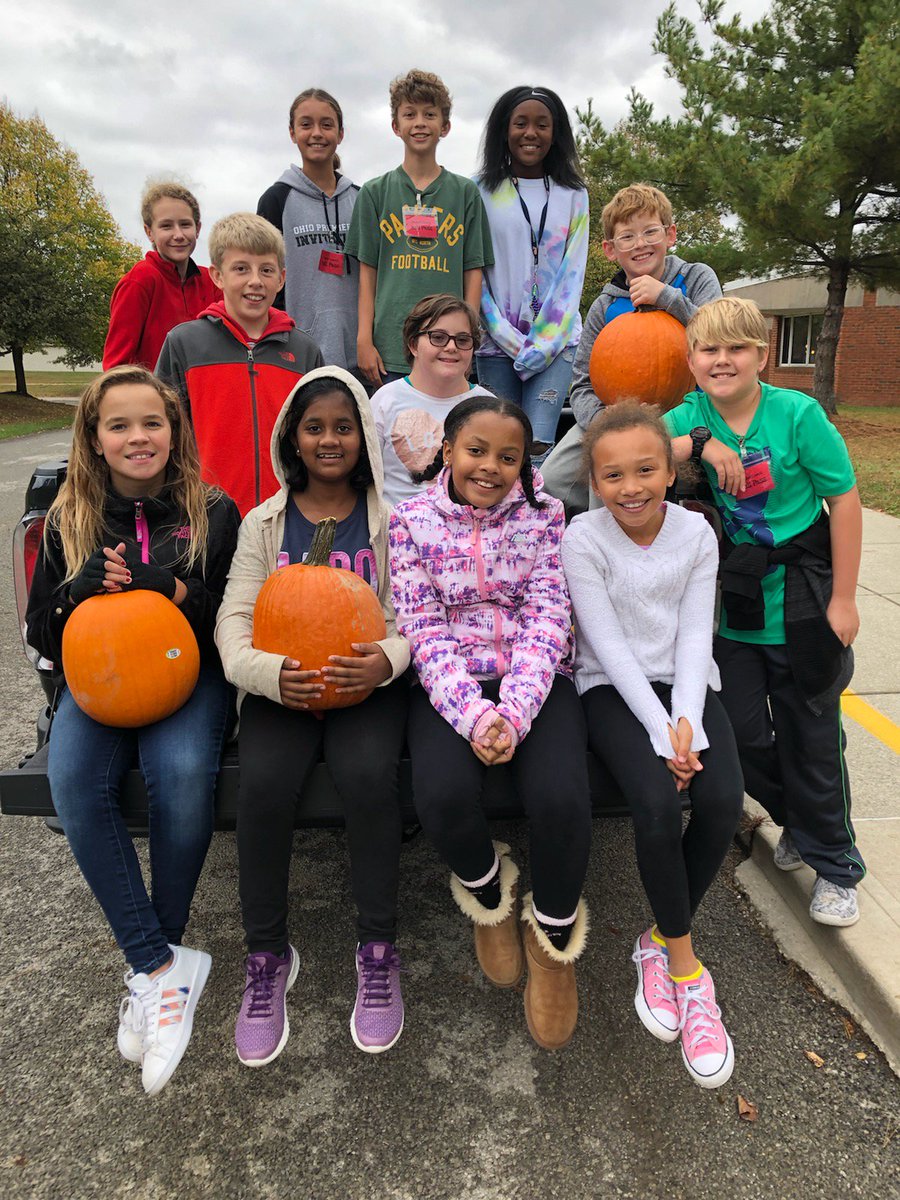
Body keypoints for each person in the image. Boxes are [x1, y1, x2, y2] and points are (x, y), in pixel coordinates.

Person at [25, 365, 240, 1095]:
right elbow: (41, 634)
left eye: (151, 421)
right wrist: (71, 595)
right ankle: (159, 969)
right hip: (99, 678)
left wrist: (171, 588)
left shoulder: (212, 509)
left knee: (180, 777)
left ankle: (159, 968)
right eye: (119, 425)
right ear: (94, 437)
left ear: (173, 430)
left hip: (190, 674)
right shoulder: (66, 517)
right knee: (74, 783)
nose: (137, 436)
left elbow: (228, 621)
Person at [215, 366, 411, 1063]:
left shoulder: (392, 521)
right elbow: (233, 623)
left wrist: (386, 660)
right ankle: (267, 958)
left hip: (366, 687)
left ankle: (378, 947)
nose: (329, 440)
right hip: (285, 690)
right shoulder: (263, 524)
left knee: (367, 778)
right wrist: (271, 675)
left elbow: (416, 615)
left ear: (362, 436)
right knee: (262, 788)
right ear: (291, 439)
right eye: (315, 428)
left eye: (343, 426)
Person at [389, 395, 592, 1052]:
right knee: (442, 795)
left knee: (562, 798)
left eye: (509, 456)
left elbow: (548, 618)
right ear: (447, 451)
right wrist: (475, 715)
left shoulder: (545, 516)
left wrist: (515, 712)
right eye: (476, 450)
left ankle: (554, 937)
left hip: (534, 680)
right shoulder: (412, 520)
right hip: (451, 682)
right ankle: (486, 887)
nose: (491, 467)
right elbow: (421, 626)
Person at [664, 297, 866, 926]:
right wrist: (697, 444)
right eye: (708, 349)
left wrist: (844, 598)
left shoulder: (797, 414)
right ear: (692, 360)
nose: (721, 360)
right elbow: (626, 453)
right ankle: (799, 822)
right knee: (742, 739)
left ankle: (835, 864)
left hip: (804, 597)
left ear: (762, 355)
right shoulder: (690, 415)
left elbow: (847, 501)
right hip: (735, 609)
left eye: (736, 349)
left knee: (813, 738)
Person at [561, 402, 743, 1088]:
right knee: (658, 808)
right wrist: (660, 735)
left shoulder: (697, 535)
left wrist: (687, 725)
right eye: (613, 475)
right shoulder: (583, 538)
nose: (630, 486)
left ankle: (656, 939)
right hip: (612, 687)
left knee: (723, 799)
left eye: (645, 470)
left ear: (671, 471)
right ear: (594, 481)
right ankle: (687, 970)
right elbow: (606, 644)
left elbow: (697, 633)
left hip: (687, 684)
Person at [541, 183, 722, 513]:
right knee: (550, 480)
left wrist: (666, 297)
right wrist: (601, 420)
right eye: (627, 237)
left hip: (683, 411)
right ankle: (605, 534)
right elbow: (582, 382)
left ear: (670, 235)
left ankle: (624, 535)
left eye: (650, 232)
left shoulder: (695, 279)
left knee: (614, 462)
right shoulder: (605, 305)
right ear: (611, 249)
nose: (640, 244)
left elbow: (719, 338)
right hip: (611, 414)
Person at [155, 213, 323, 517]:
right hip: (206, 513)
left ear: (282, 278)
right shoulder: (184, 343)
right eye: (241, 269)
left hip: (285, 512)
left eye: (266, 270)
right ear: (217, 276)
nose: (255, 281)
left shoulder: (305, 350)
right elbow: (165, 431)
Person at [345, 69, 494, 388]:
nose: (420, 123)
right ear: (396, 126)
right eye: (410, 114)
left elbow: (473, 271)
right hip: (389, 349)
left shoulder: (465, 193)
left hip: (448, 348)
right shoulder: (374, 193)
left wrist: (466, 339)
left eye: (430, 114)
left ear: (446, 126)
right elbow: (367, 273)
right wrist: (364, 339)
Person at [475, 86, 589, 464]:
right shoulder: (479, 192)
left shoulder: (573, 193)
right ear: (503, 130)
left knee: (538, 450)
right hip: (495, 343)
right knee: (498, 448)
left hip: (555, 347)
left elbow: (573, 274)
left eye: (542, 125)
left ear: (555, 134)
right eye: (520, 123)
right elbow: (475, 273)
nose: (530, 133)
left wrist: (543, 343)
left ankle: (539, 525)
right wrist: (508, 337)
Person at [257, 88, 361, 375]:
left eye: (327, 125)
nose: (317, 133)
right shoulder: (276, 199)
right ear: (292, 133)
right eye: (306, 124)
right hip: (297, 357)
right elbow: (266, 276)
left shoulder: (362, 199)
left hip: (359, 355)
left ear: (340, 134)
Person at [371, 294, 494, 506]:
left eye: (463, 340)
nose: (451, 347)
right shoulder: (385, 400)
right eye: (438, 337)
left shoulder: (488, 406)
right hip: (396, 531)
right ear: (413, 345)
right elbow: (366, 477)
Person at [102, 181, 221, 371]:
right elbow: (116, 365)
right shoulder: (139, 281)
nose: (178, 234)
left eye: (185, 224)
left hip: (202, 394)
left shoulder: (212, 281)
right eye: (166, 226)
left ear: (197, 229)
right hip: (154, 396)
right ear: (149, 232)